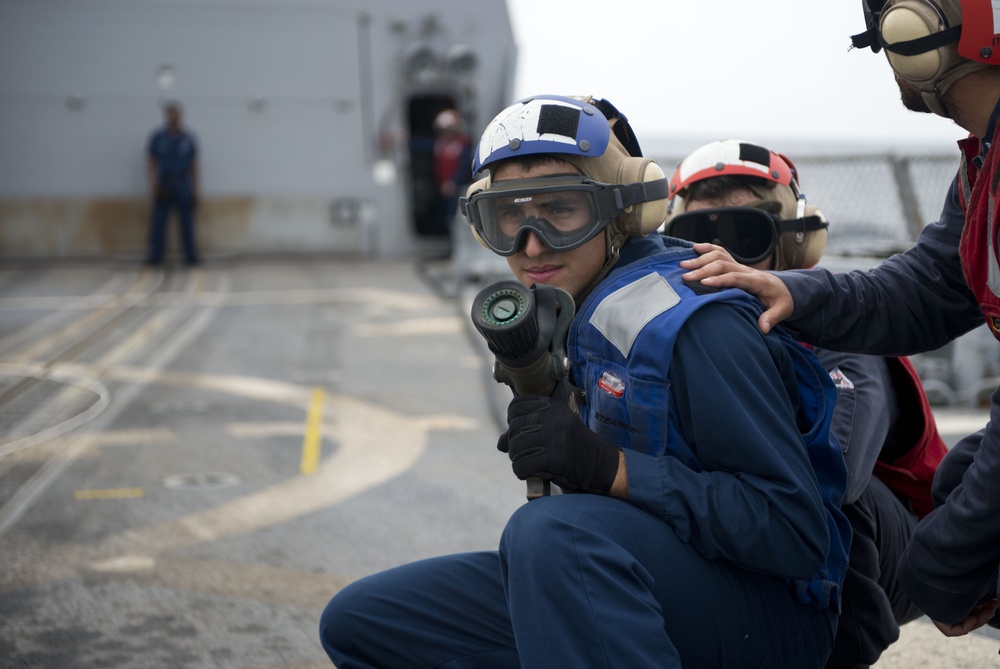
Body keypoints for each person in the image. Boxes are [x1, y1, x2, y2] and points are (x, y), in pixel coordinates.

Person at [319, 94, 852, 667]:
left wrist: (612, 470)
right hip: (649, 572)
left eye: (560, 210)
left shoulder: (700, 327)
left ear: (620, 211)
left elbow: (792, 533)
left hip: (772, 617)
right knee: (364, 624)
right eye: (509, 215)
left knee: (550, 536)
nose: (530, 243)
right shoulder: (585, 312)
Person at [680, 0, 1000, 640]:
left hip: (873, 542)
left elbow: (830, 475)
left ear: (918, 28)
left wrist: (949, 555)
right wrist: (794, 294)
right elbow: (925, 289)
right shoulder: (983, 170)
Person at [664, 138, 950, 668]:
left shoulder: (839, 328)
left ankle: (842, 648)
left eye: (741, 236)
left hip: (906, 552)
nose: (718, 257)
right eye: (697, 237)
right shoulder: (677, 334)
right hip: (754, 522)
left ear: (792, 246)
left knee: (828, 494)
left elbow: (838, 470)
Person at [146, 101, 200, 266]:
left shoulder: (188, 138)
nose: (174, 117)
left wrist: (195, 188)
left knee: (186, 222)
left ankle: (190, 255)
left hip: (182, 183)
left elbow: (194, 165)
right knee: (159, 222)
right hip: (164, 182)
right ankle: (156, 256)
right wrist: (153, 183)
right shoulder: (158, 138)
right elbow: (151, 161)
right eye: (171, 113)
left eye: (176, 113)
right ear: (167, 116)